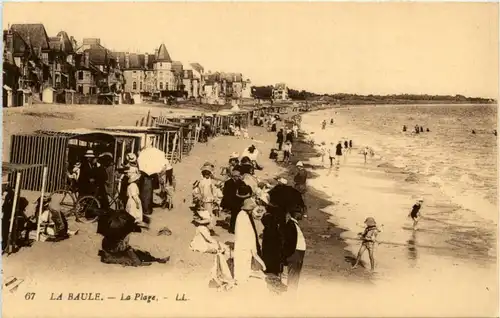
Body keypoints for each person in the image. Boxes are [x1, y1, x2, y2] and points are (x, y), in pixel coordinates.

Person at [233, 198, 266, 285]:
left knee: (245, 260)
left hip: (244, 243)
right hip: (243, 243)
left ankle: (242, 277)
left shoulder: (244, 215)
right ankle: (240, 279)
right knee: (242, 260)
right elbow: (245, 232)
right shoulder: (242, 217)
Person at [283, 212, 307, 292]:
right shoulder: (291, 224)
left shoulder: (293, 224)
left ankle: (292, 294)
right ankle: (291, 297)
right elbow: (288, 242)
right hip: (295, 254)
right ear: (295, 214)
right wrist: (289, 255)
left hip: (297, 253)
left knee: (295, 277)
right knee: (293, 277)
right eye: (300, 213)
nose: (302, 215)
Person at [221, 169, 246, 234]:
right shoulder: (228, 182)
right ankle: (232, 229)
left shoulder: (241, 182)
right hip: (232, 201)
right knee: (234, 216)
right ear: (233, 176)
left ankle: (236, 228)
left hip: (239, 201)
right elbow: (225, 193)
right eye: (237, 176)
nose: (238, 177)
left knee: (238, 216)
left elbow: (244, 189)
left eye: (239, 176)